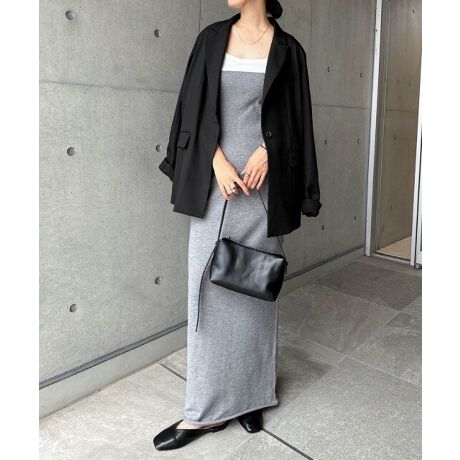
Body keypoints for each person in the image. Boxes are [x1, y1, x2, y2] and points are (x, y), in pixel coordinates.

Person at [154, 0, 321, 451]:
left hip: (263, 191)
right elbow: (191, 108)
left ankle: (250, 397)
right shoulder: (211, 39)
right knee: (206, 294)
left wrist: (270, 151)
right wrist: (216, 161)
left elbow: (297, 120)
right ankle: (202, 413)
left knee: (254, 294)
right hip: (217, 186)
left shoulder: (289, 50)